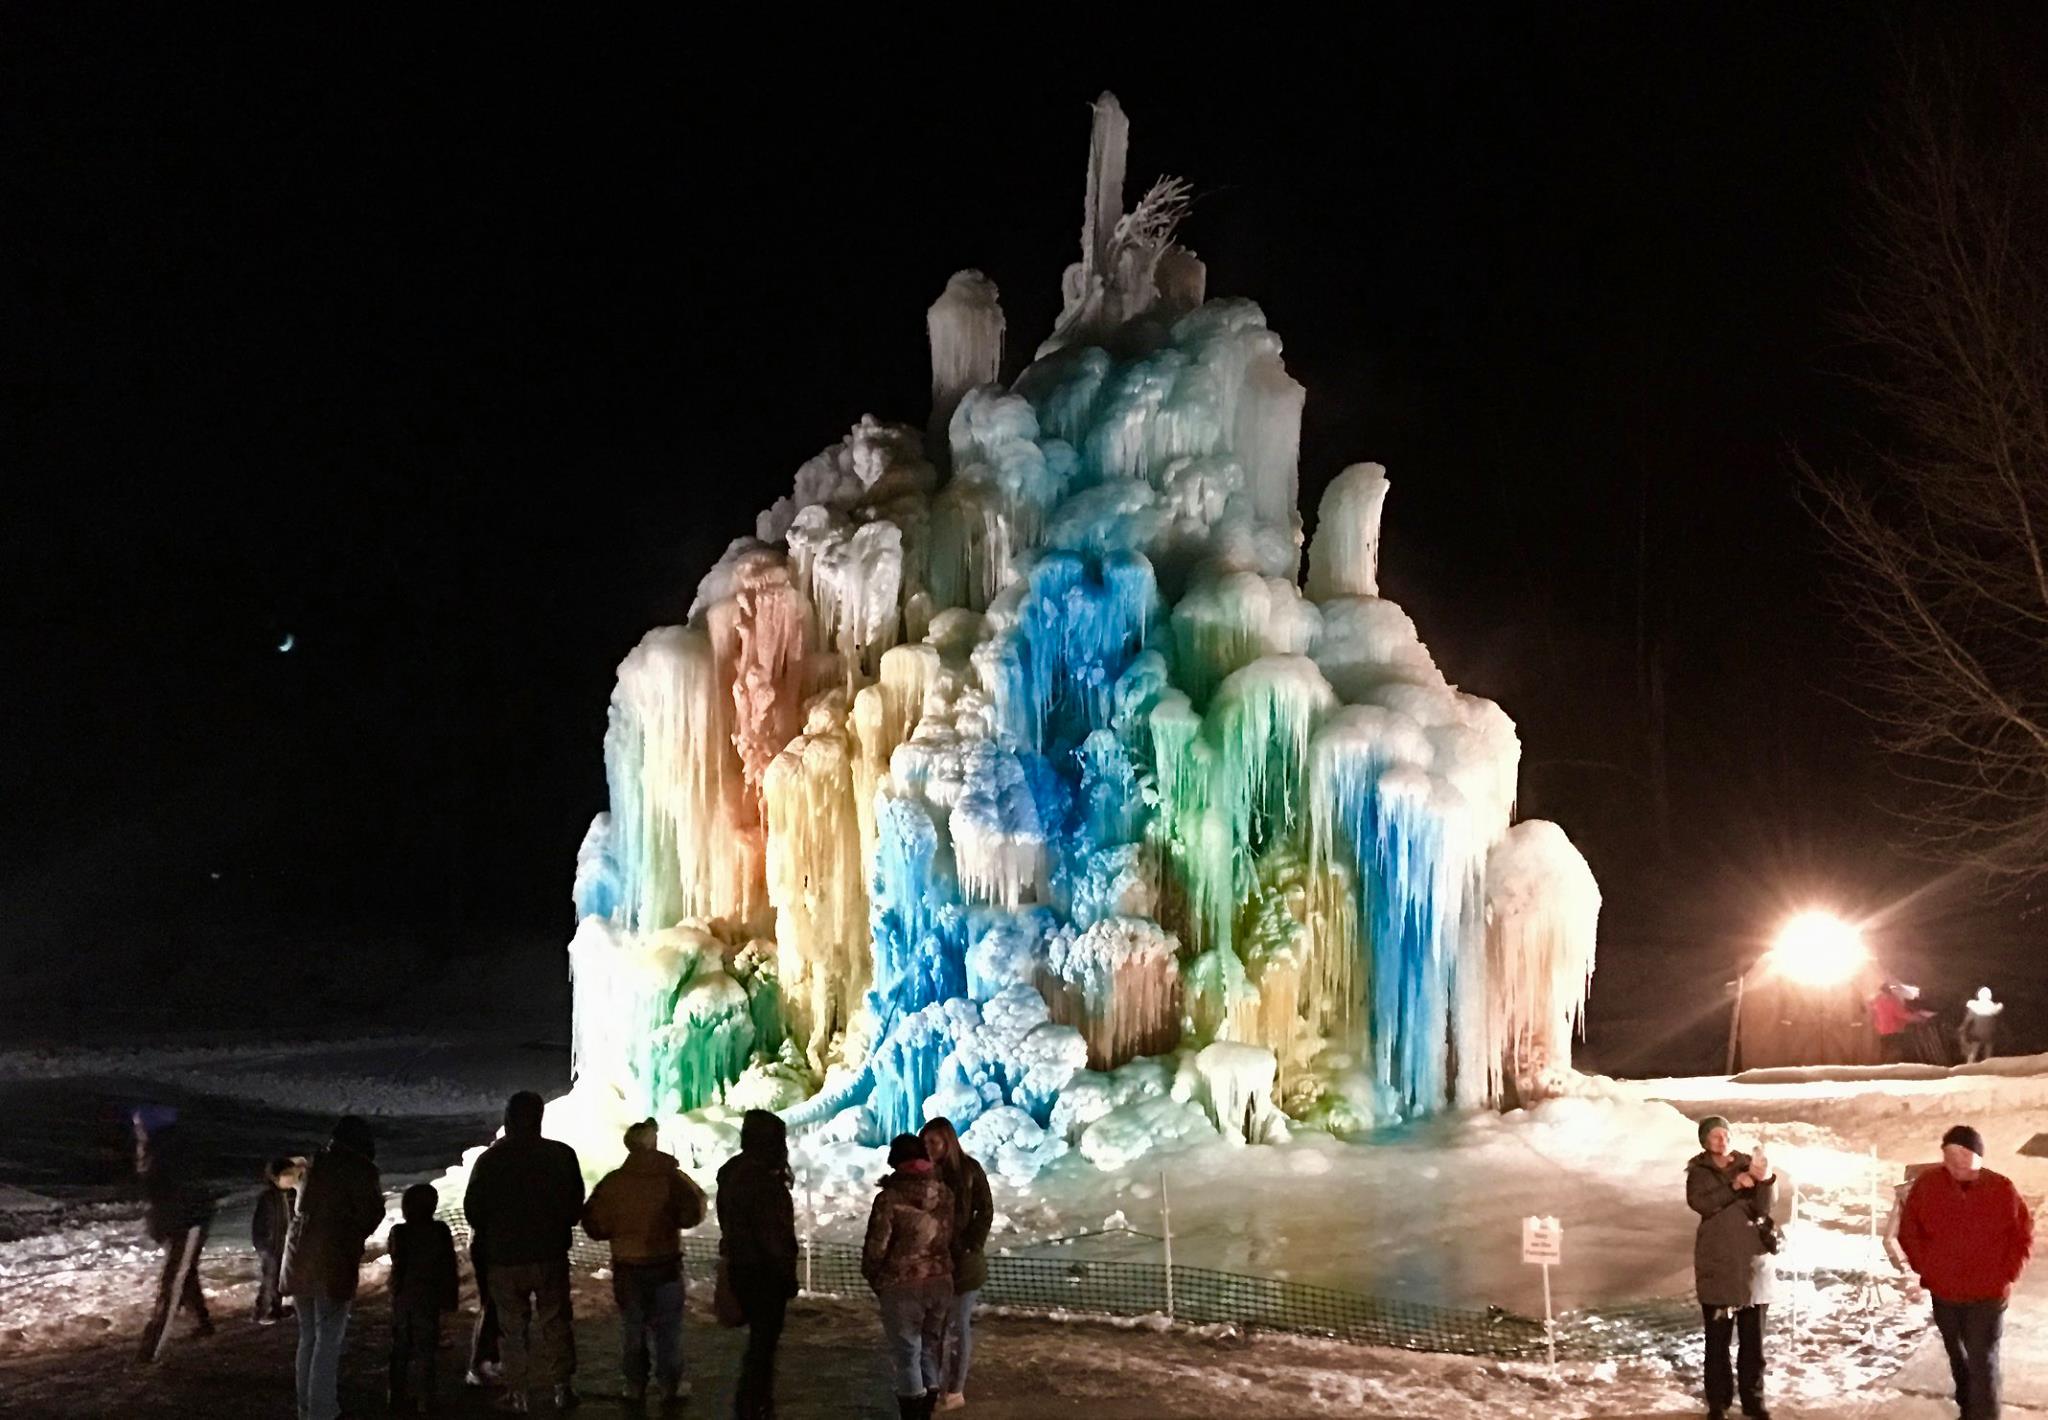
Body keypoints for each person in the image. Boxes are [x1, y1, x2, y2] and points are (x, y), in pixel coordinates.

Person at [1899, 1124, 2034, 1420]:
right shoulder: (1928, 1185)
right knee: (1958, 1356)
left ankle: (1983, 1415)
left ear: (1978, 1156)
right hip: (1944, 1293)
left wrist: (2007, 1274)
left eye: (1963, 1152)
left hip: (1986, 1294)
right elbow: (1908, 1232)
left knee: (1982, 1360)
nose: (1955, 1159)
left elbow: (2022, 1235)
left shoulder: (2001, 1188)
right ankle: (1968, 1407)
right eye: (1949, 1152)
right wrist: (1928, 1268)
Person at [462, 1091, 586, 1414]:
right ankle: (562, 1387)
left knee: (511, 1328)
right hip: (549, 1254)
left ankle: (519, 1392)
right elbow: (574, 1208)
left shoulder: (489, 1160)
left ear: (508, 1118)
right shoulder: (561, 1155)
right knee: (556, 1320)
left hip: (504, 1257)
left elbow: (473, 1210)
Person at [581, 1118, 707, 1407]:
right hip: (665, 1265)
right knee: (668, 1330)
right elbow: (692, 1212)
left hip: (627, 1266)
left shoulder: (614, 1182)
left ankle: (634, 1385)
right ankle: (669, 1385)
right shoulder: (672, 1179)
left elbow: (594, 1223)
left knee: (632, 1328)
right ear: (653, 1144)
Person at [283, 1115, 386, 1420]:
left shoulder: (314, 1164)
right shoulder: (361, 1169)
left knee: (308, 1336)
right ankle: (323, 1410)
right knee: (328, 1338)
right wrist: (354, 1234)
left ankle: (306, 1409)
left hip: (299, 1259)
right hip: (333, 1261)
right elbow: (371, 1214)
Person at [1686, 1115, 1779, 1420]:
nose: (1721, 1140)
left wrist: (1762, 1178)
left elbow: (1764, 1207)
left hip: (1753, 1267)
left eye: (1725, 1134)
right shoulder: (1699, 1173)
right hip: (1718, 1269)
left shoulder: (1746, 1163)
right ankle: (1718, 1402)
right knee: (1717, 1343)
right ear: (1704, 1142)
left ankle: (1754, 1401)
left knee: (1753, 1345)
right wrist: (1735, 1184)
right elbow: (1702, 1203)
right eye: (1714, 1136)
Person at [863, 1133, 955, 1420]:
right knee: (930, 1346)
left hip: (902, 1284)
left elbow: (877, 1247)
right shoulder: (945, 1194)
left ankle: (912, 1415)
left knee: (907, 1355)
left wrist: (875, 1276)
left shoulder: (888, 1199)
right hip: (941, 1279)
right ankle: (927, 1411)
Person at [717, 1109, 800, 1420]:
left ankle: (754, 1402)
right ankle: (754, 1404)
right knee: (763, 1345)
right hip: (764, 1271)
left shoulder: (732, 1174)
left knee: (759, 1344)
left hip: (741, 1264)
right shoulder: (762, 1181)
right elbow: (771, 1233)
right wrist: (787, 1274)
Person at [133, 1105, 216, 1362]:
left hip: (187, 1222)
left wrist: (173, 1222)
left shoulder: (170, 1152)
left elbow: (179, 1194)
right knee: (185, 1273)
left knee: (173, 1281)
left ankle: (151, 1350)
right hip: (176, 1222)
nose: (137, 1131)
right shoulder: (157, 1149)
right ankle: (203, 1323)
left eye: (140, 1125)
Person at [919, 1117, 991, 1412]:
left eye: (933, 1142)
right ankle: (933, 1385)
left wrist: (970, 1244)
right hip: (932, 1262)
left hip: (963, 1264)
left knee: (958, 1326)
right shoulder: (923, 1174)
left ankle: (955, 1389)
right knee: (933, 1328)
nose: (928, 1148)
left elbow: (985, 1210)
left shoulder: (969, 1170)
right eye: (924, 1143)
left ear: (948, 1142)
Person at [388, 1181, 460, 1414]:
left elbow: (397, 1265)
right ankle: (425, 1399)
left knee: (400, 1348)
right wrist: (450, 1300)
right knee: (426, 1349)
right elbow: (449, 1266)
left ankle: (396, 1396)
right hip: (430, 1296)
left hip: (405, 1297)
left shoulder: (399, 1232)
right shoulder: (440, 1231)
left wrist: (395, 1292)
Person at [251, 1155, 304, 1325]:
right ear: (276, 1177)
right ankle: (261, 1312)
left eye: (293, 1173)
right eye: (287, 1174)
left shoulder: (289, 1195)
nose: (292, 1177)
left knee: (281, 1279)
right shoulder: (268, 1197)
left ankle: (277, 1308)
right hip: (270, 1247)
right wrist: (263, 1246)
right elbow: (258, 1225)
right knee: (270, 1279)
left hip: (284, 1245)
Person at [1959, 987, 2004, 1064]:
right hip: (1990, 1034)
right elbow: (1997, 1021)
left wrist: (1963, 1027)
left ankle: (1970, 1063)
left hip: (1977, 1034)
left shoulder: (1974, 1006)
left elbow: (1968, 1020)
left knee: (1974, 1049)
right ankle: (1987, 1063)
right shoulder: (1994, 1007)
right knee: (1988, 1048)